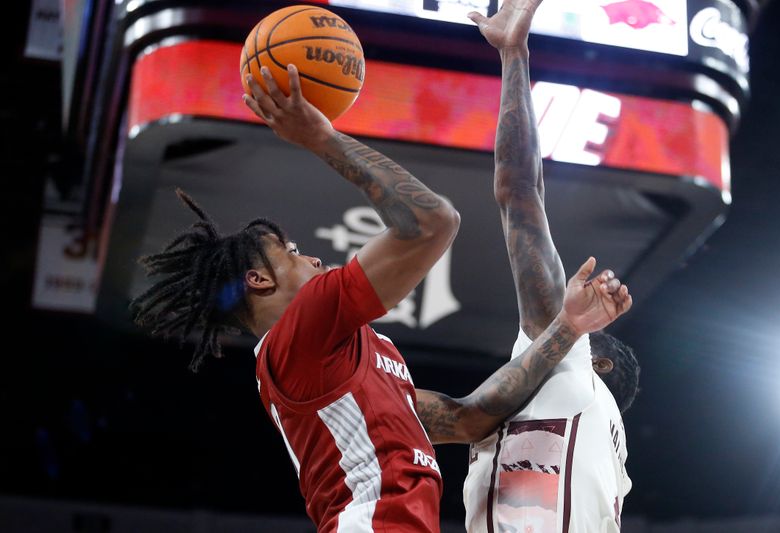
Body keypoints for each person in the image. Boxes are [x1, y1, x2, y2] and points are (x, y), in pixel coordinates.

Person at [130, 63, 632, 532]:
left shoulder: (354, 356)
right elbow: (433, 221)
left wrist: (567, 329)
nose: (314, 260)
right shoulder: (300, 332)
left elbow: (468, 417)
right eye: (292, 252)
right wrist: (322, 139)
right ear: (259, 280)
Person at [462, 1, 641, 532]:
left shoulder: (568, 372)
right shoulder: (616, 468)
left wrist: (514, 55)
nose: (527, 356)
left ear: (596, 364)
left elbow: (520, 192)